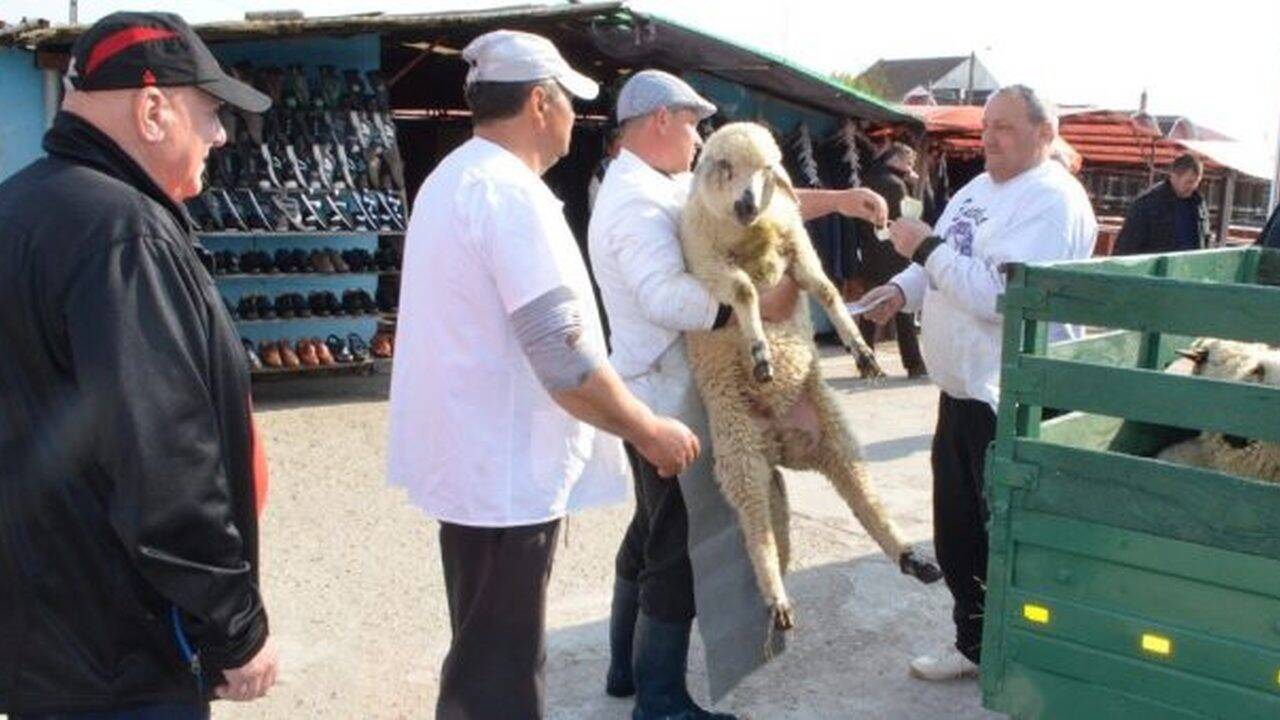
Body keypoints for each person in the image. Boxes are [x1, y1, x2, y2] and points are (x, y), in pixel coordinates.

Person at [385, 33, 702, 720]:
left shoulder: (454, 178)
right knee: (500, 678)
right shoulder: (509, 195)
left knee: (484, 658)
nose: (573, 118)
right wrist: (647, 429)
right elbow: (563, 356)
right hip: (503, 478)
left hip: (476, 469)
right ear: (538, 102)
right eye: (567, 102)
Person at [0, 12, 278, 719]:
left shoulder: (19, 206)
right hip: (121, 653)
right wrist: (234, 627)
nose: (220, 135)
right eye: (210, 113)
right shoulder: (123, 234)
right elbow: (164, 462)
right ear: (154, 110)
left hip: (44, 639)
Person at [588, 69, 889, 718]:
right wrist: (748, 307)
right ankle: (660, 700)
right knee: (676, 549)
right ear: (661, 120)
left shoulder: (657, 182)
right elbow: (662, 297)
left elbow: (748, 197)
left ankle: (625, 671)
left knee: (650, 531)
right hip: (664, 398)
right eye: (693, 124)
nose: (701, 139)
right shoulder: (636, 204)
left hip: (658, 387)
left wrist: (838, 200)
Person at [860, 84, 1097, 681]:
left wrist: (927, 248)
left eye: (1006, 127)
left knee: (1008, 538)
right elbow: (942, 261)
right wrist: (901, 290)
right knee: (958, 533)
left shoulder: (1051, 200)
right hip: (964, 393)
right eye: (988, 125)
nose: (990, 137)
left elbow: (998, 297)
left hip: (1016, 398)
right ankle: (974, 644)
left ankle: (1019, 656)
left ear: (1045, 134)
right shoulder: (977, 189)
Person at [852, 141, 928, 378]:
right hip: (894, 254)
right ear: (896, 159)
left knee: (869, 309)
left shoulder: (867, 180)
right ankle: (914, 363)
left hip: (870, 252)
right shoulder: (896, 185)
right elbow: (909, 219)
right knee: (903, 310)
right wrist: (914, 187)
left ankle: (865, 361)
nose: (911, 167)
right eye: (909, 161)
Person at [1113, 152, 1211, 255]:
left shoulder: (1199, 205)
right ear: (1174, 176)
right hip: (1159, 264)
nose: (1193, 187)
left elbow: (1205, 241)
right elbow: (1126, 247)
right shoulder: (1147, 204)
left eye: (1197, 182)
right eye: (1189, 182)